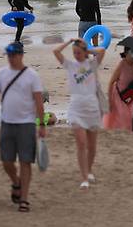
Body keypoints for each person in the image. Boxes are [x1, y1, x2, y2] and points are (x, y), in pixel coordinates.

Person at [0, 42, 46, 212]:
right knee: (6, 161)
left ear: (21, 55)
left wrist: (42, 124)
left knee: (25, 161)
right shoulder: (1, 73)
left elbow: (38, 101)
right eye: (8, 55)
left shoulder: (32, 75)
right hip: (7, 122)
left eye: (14, 55)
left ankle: (24, 199)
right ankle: (16, 182)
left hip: (26, 124)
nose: (11, 58)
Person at [53, 39, 106, 189]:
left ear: (84, 52)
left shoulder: (92, 64)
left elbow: (102, 51)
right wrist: (70, 41)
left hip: (92, 107)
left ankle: (89, 171)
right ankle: (84, 178)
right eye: (74, 52)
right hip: (76, 107)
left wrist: (87, 50)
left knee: (92, 146)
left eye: (78, 52)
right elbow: (56, 52)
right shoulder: (70, 65)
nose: (76, 55)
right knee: (81, 144)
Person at [104, 47, 133, 131]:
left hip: (129, 96)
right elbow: (111, 82)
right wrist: (109, 100)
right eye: (132, 53)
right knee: (121, 117)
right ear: (126, 53)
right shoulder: (122, 64)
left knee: (129, 117)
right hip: (118, 95)